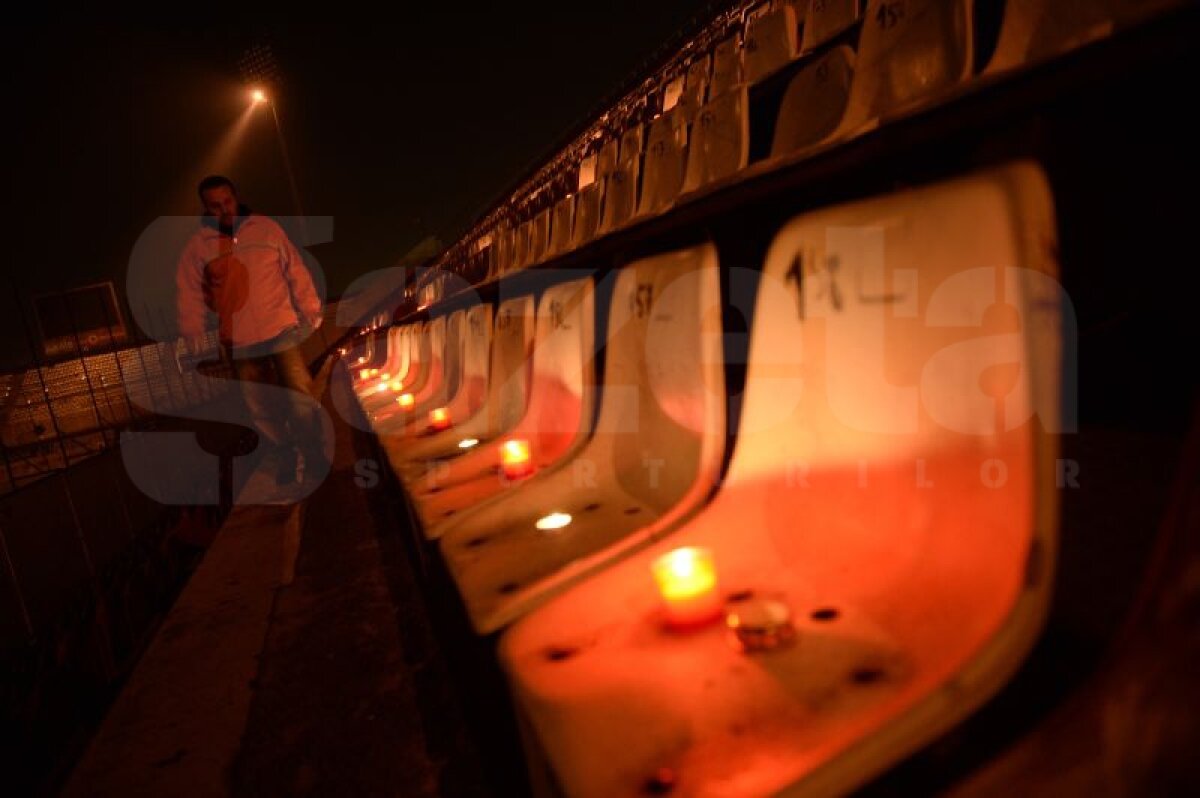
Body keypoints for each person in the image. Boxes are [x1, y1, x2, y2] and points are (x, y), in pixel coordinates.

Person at [175, 175, 326, 484]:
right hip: (240, 340)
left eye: (227, 201)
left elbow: (293, 267)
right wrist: (192, 332)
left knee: (299, 396)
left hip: (281, 328)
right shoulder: (199, 247)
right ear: (206, 208)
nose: (224, 210)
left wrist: (310, 307)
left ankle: (313, 456)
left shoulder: (266, 228)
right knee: (260, 407)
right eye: (215, 206)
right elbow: (189, 293)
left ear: (236, 197)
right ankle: (284, 454)